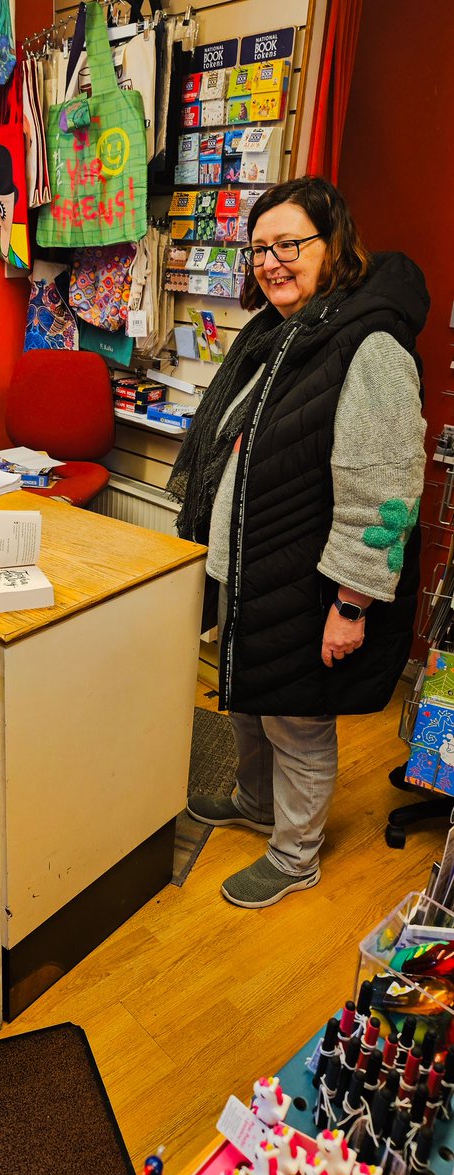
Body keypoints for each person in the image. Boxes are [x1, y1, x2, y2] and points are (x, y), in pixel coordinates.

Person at [168, 176, 428, 909]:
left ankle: (295, 855)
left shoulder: (367, 344)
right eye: (259, 248)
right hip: (252, 568)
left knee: (296, 720)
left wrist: (351, 604)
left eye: (291, 244)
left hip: (306, 580)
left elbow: (382, 489)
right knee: (248, 701)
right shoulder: (281, 335)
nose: (272, 261)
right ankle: (256, 803)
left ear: (333, 244)